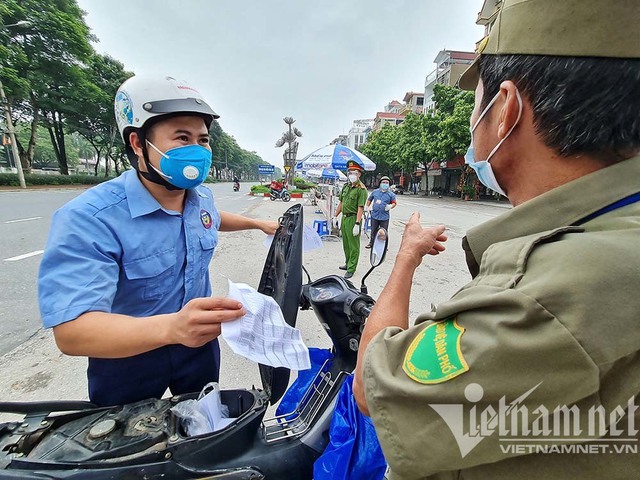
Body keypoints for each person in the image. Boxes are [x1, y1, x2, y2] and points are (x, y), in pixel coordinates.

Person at [353, 0, 640, 478]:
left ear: (506, 110)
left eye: (475, 103)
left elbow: (373, 386)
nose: (472, 122)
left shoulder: (550, 287)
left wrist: (405, 259)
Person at [38, 75, 278, 407]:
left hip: (197, 345)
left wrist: (258, 223)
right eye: (182, 137)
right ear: (138, 143)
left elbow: (213, 219)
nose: (196, 150)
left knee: (202, 430)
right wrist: (174, 327)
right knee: (131, 446)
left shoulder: (200, 198)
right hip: (126, 354)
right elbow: (73, 332)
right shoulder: (89, 218)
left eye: (202, 139)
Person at [334, 160, 368, 279]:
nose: (351, 174)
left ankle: (352, 268)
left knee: (354, 245)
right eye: (349, 172)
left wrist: (357, 223)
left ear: (359, 174)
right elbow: (341, 202)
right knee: (346, 244)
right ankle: (348, 263)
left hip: (354, 218)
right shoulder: (346, 186)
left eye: (354, 172)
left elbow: (360, 207)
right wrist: (335, 215)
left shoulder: (361, 189)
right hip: (344, 218)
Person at [364, 176, 397, 249]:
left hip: (384, 216)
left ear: (389, 184)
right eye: (383, 182)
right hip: (374, 215)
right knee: (373, 230)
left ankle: (383, 245)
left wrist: (391, 206)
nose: (385, 184)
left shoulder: (391, 194)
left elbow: (394, 203)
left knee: (383, 232)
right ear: (380, 183)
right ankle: (371, 243)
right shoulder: (375, 192)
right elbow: (370, 199)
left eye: (386, 183)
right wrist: (367, 206)